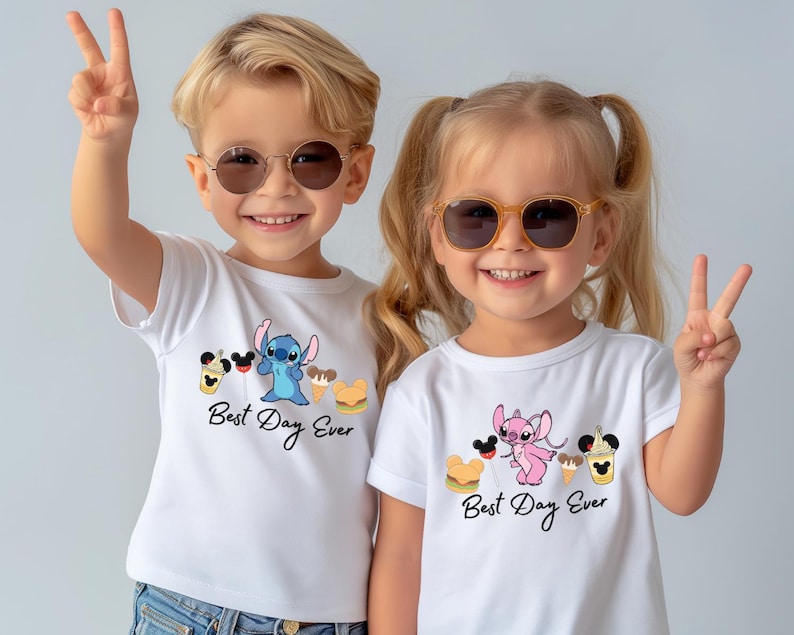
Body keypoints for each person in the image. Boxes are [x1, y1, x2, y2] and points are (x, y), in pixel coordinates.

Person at [364, 80, 751, 634]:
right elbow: (401, 557)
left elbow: (684, 494)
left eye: (547, 216)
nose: (510, 241)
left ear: (601, 235)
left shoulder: (634, 371)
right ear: (439, 236)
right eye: (476, 215)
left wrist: (704, 388)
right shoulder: (422, 392)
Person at [67, 8, 380, 634]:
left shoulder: (383, 317)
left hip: (331, 620)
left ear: (356, 173)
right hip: (188, 607)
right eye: (242, 162)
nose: (277, 187)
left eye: (311, 159)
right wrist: (106, 142)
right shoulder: (193, 281)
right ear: (203, 180)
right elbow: (102, 235)